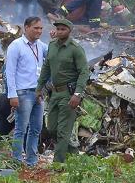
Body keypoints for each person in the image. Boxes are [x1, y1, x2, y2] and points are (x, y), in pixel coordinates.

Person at [36, 18, 89, 163]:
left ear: (69, 31)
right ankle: (74, 154)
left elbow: (84, 72)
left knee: (63, 130)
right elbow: (46, 68)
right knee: (52, 128)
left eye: (63, 29)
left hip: (69, 94)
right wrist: (39, 88)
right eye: (58, 29)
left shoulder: (75, 49)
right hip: (54, 92)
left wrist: (77, 94)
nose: (59, 32)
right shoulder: (52, 45)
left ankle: (58, 165)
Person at [6, 17, 48, 166]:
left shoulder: (41, 46)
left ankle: (31, 161)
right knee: (21, 129)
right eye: (36, 28)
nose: (39, 31)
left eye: (41, 28)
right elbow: (9, 72)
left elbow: (53, 56)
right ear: (26, 28)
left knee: (36, 129)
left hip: (38, 93)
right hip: (23, 93)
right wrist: (12, 95)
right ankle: (17, 161)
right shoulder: (16, 46)